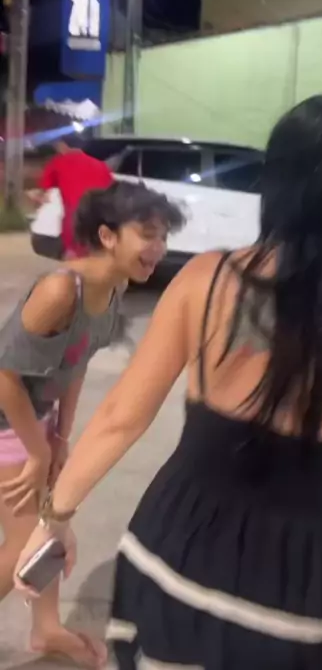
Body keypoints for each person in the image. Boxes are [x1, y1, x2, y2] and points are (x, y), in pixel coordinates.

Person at [13, 95, 322, 670]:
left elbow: (120, 419)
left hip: (176, 552)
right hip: (299, 583)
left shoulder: (205, 278)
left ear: (275, 185)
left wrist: (54, 519)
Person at [0, 180, 183, 667]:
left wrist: (61, 437)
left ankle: (46, 628)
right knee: (25, 544)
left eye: (164, 236)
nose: (159, 248)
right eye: (148, 234)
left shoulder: (113, 288)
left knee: (53, 524)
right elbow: (4, 377)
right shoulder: (61, 289)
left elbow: (76, 363)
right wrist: (37, 449)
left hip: (36, 420)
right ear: (107, 236)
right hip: (7, 419)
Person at [30, 138, 114, 258]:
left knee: (73, 258)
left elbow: (45, 194)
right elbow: (111, 193)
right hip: (98, 224)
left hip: (72, 223)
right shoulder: (102, 166)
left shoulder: (58, 162)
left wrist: (35, 196)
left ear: (62, 145)